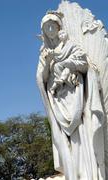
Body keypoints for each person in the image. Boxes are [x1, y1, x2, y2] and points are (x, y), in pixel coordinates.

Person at [36, 11, 105, 180]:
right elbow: (41, 78)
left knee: (82, 130)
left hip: (76, 95)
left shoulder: (71, 46)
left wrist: (65, 64)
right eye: (47, 27)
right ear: (44, 31)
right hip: (58, 100)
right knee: (65, 137)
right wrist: (48, 63)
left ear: (60, 27)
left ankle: (89, 173)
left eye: (53, 25)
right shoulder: (44, 53)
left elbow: (83, 64)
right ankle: (73, 174)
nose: (50, 29)